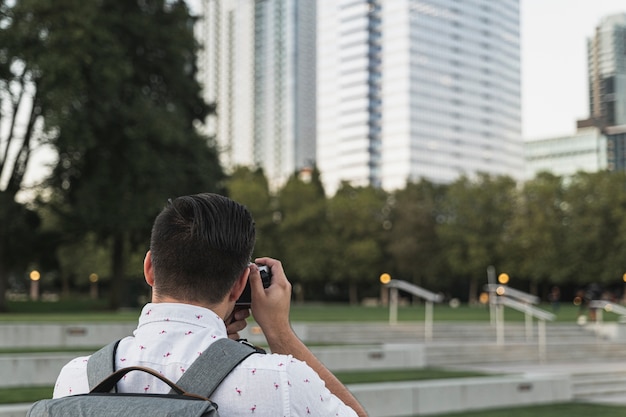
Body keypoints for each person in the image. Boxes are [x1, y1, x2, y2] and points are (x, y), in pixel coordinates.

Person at [53, 193, 367, 417]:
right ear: (241, 284)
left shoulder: (76, 380)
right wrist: (280, 333)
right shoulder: (281, 381)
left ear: (149, 268)